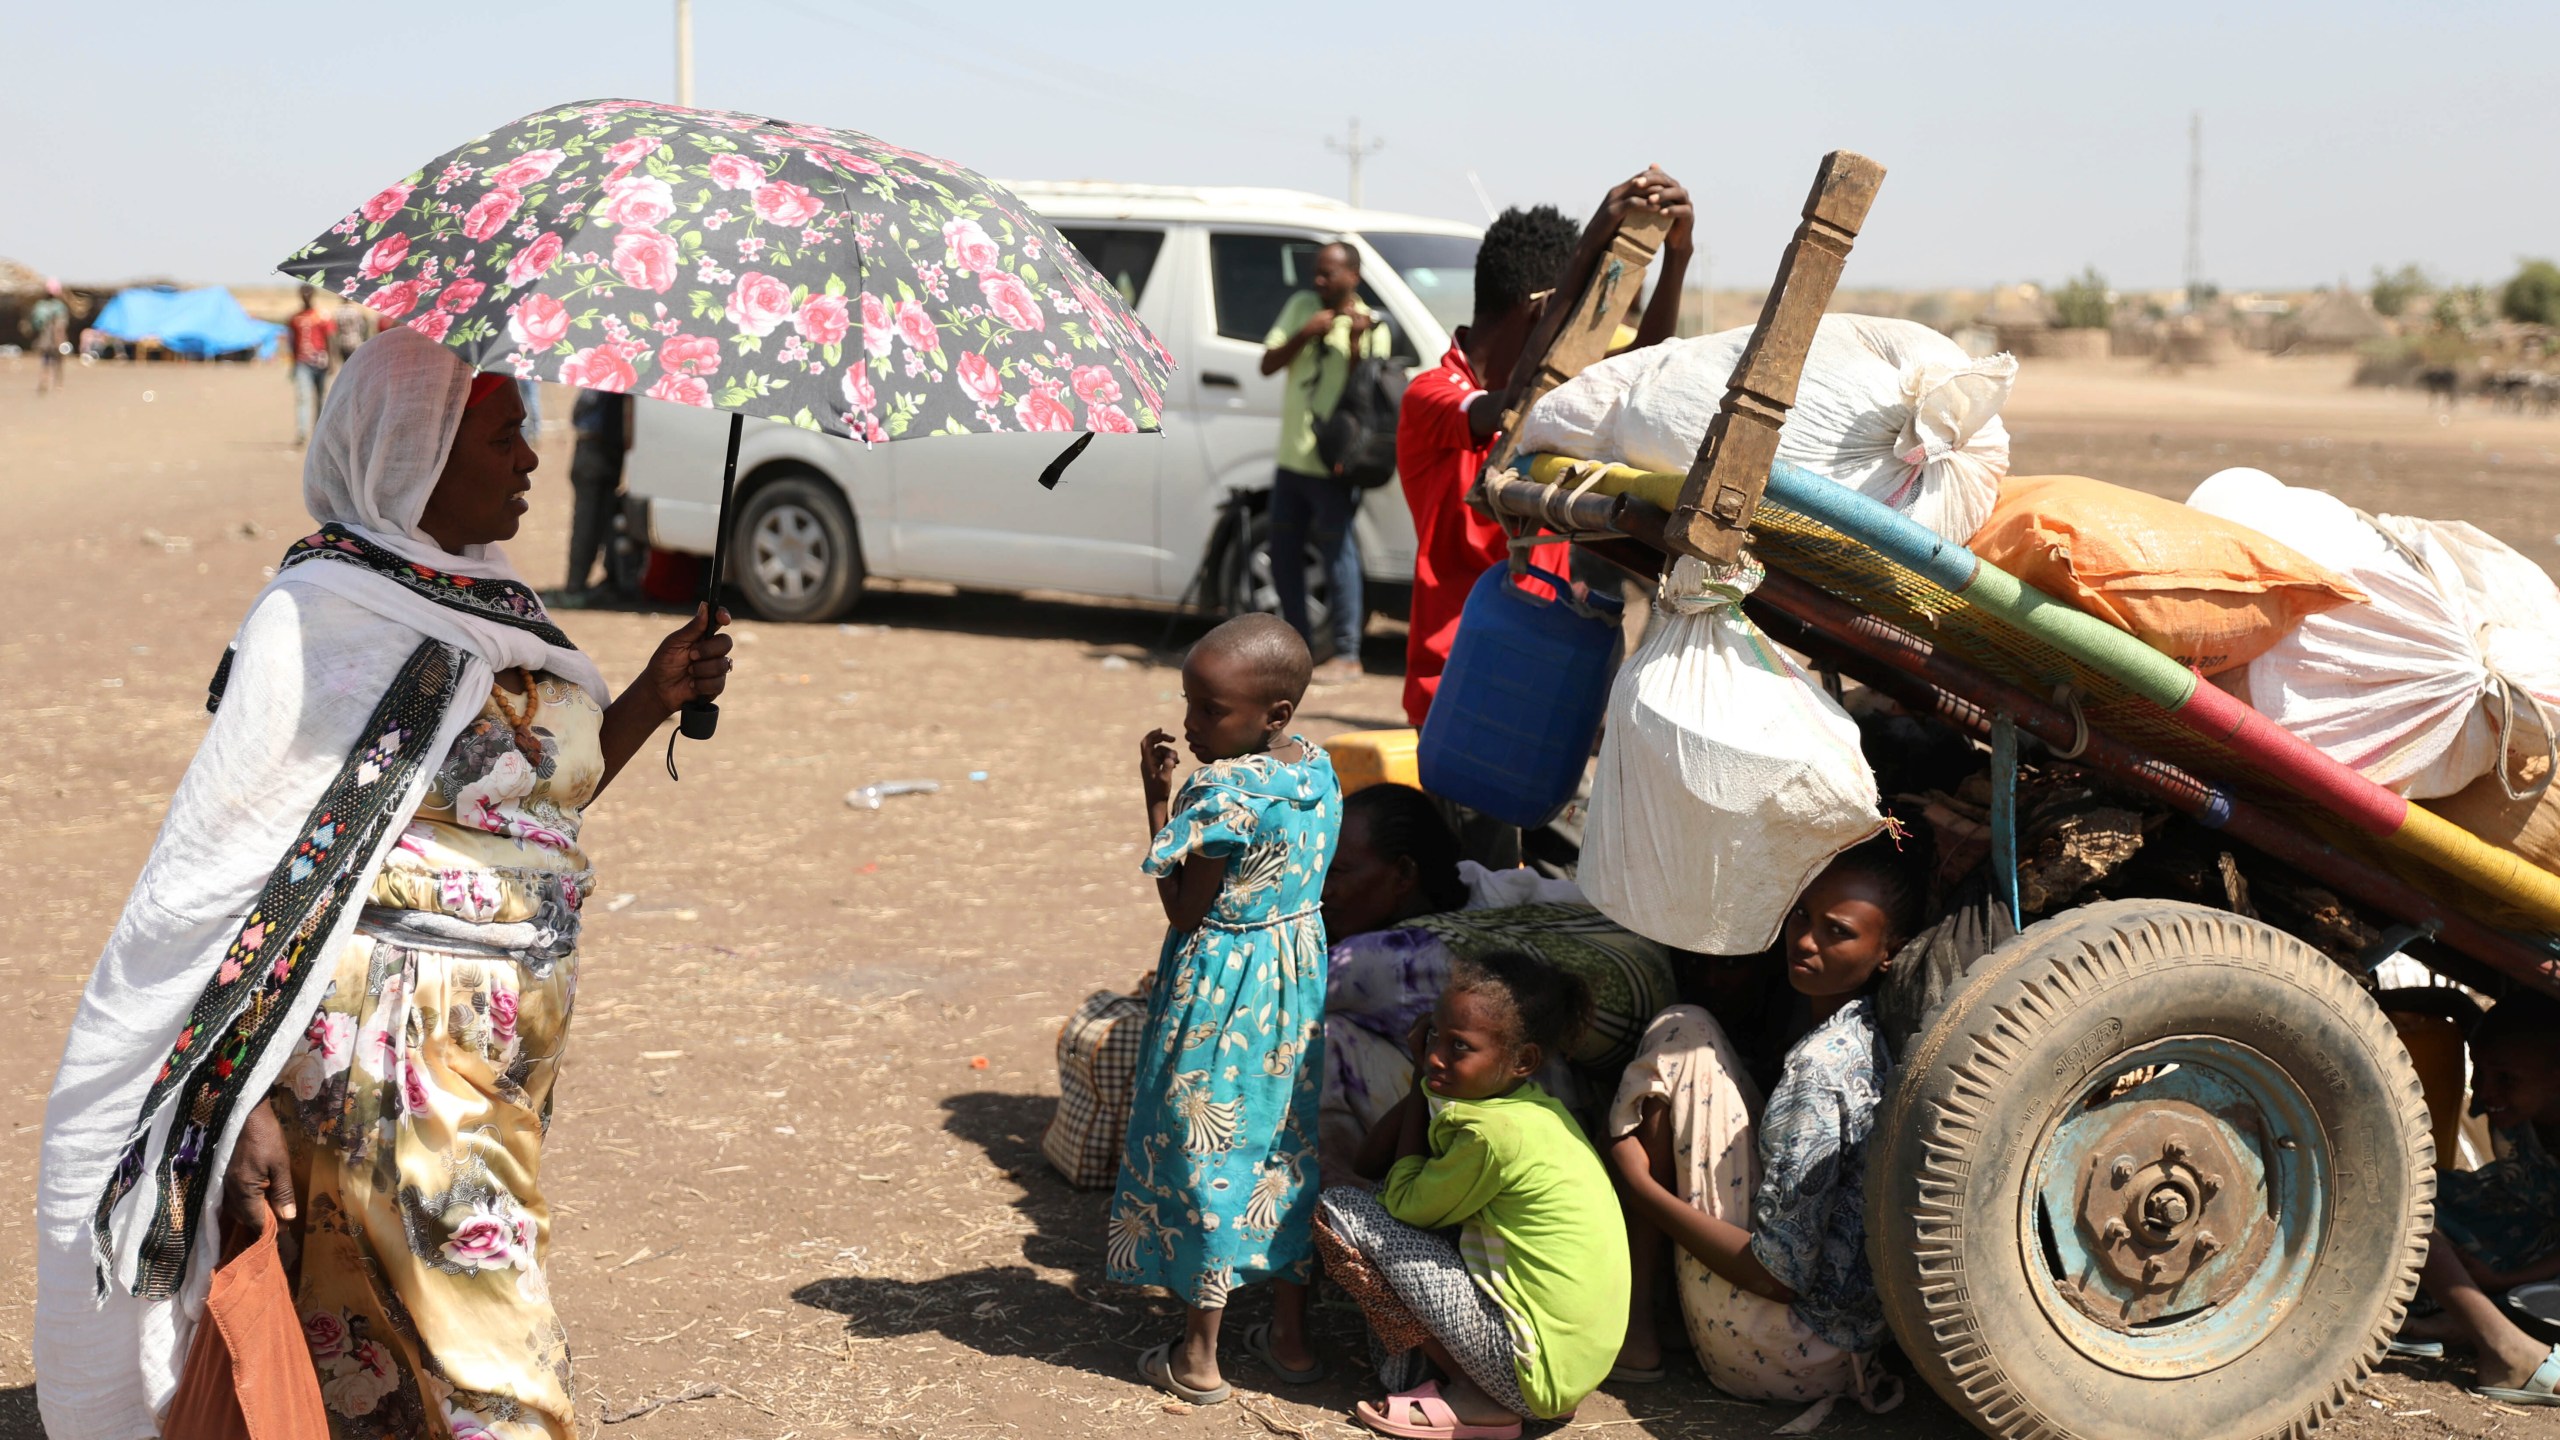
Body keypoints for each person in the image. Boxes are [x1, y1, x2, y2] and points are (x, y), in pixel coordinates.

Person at [33, 327, 734, 1440]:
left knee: (376, 1362)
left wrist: (648, 696)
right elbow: (234, 877)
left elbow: (520, 807)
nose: (531, 460)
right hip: (382, 1062)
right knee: (499, 1370)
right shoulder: (324, 619)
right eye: (504, 435)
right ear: (417, 453)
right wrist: (247, 1097)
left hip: (483, 1064)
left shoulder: (486, 602)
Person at [1603, 827, 1927, 1413]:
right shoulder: (1859, 1029)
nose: (1805, 941)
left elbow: (1775, 1277)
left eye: (1837, 933)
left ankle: (1638, 1324)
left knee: (1680, 1030)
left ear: (1890, 952)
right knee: (1692, 1034)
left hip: (1787, 1354)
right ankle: (1653, 1314)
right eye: (1802, 916)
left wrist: (1640, 1188)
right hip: (1847, 1346)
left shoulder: (1820, 1069)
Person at [1116, 613, 1339, 1403]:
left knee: (1206, 1150)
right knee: (1281, 1147)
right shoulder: (1317, 769)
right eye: (1189, 701)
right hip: (1294, 984)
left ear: (1273, 715)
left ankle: (1199, 1357)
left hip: (1222, 989)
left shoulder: (1218, 790)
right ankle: (1289, 1338)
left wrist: (1156, 802)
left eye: (1210, 710)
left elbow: (1183, 910)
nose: (1190, 723)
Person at [1395, 169, 1694, 727]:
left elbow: (1640, 369)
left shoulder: (1556, 404)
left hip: (1539, 682)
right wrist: (1587, 251)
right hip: (1458, 685)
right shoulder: (1432, 398)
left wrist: (1677, 254)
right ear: (1543, 309)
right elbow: (1516, 405)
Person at [1317, 951, 1630, 1437]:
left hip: (1530, 1374)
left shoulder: (1490, 1135)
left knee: (1339, 1211)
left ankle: (1478, 1395)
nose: (1437, 1055)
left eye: (1459, 1046)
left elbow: (1400, 1203)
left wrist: (1423, 1081)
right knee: (1380, 1196)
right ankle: (1462, 1381)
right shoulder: (1533, 1111)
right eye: (1433, 1036)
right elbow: (1372, 1165)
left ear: (1523, 1060)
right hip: (1563, 1373)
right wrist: (1425, 1078)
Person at [1316, 783, 1668, 1180]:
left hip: (1502, 1152)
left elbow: (1275, 996)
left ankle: (1336, 1210)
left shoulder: (1394, 957)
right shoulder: (1489, 895)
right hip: (1573, 1121)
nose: (1320, 889)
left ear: (1403, 873)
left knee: (1322, 1039)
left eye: (1337, 871)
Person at [2402, 991, 2560, 1405]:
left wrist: (2501, 1281)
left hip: (2535, 1254)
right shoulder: (2516, 1087)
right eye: (2480, 1072)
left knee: (2406, 1219)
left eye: (2505, 1078)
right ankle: (2457, 1319)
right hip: (2490, 1205)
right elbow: (2456, 1004)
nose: (2485, 1091)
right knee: (2402, 1185)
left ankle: (2473, 1323)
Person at [1261, 241, 1392, 684]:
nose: (1318, 282)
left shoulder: (1373, 324)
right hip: (1291, 457)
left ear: (1352, 277)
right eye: (1316, 273)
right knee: (1283, 553)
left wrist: (1354, 341)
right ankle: (1297, 646)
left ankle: (1348, 654)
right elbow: (1268, 363)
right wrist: (1306, 333)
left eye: (1327, 274)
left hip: (1334, 463)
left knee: (1339, 554)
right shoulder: (1301, 307)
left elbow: (1366, 395)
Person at [557, 389, 634, 605]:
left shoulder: (607, 383)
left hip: (597, 452)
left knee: (598, 521)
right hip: (595, 453)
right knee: (588, 524)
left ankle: (584, 585)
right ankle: (575, 588)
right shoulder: (610, 384)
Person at [288, 286, 337, 446]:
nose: (306, 297)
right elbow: (292, 342)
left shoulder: (322, 316)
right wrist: (293, 362)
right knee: (303, 396)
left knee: (321, 398)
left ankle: (319, 433)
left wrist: (332, 360)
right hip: (302, 362)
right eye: (303, 294)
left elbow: (330, 338)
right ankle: (302, 433)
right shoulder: (295, 318)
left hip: (321, 361)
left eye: (309, 294)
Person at [30, 278, 71, 396]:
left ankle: (44, 382)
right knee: (59, 362)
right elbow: (61, 326)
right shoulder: (59, 307)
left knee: (45, 361)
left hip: (44, 339)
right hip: (56, 338)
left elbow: (36, 324)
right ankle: (58, 384)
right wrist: (61, 340)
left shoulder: (40, 306)